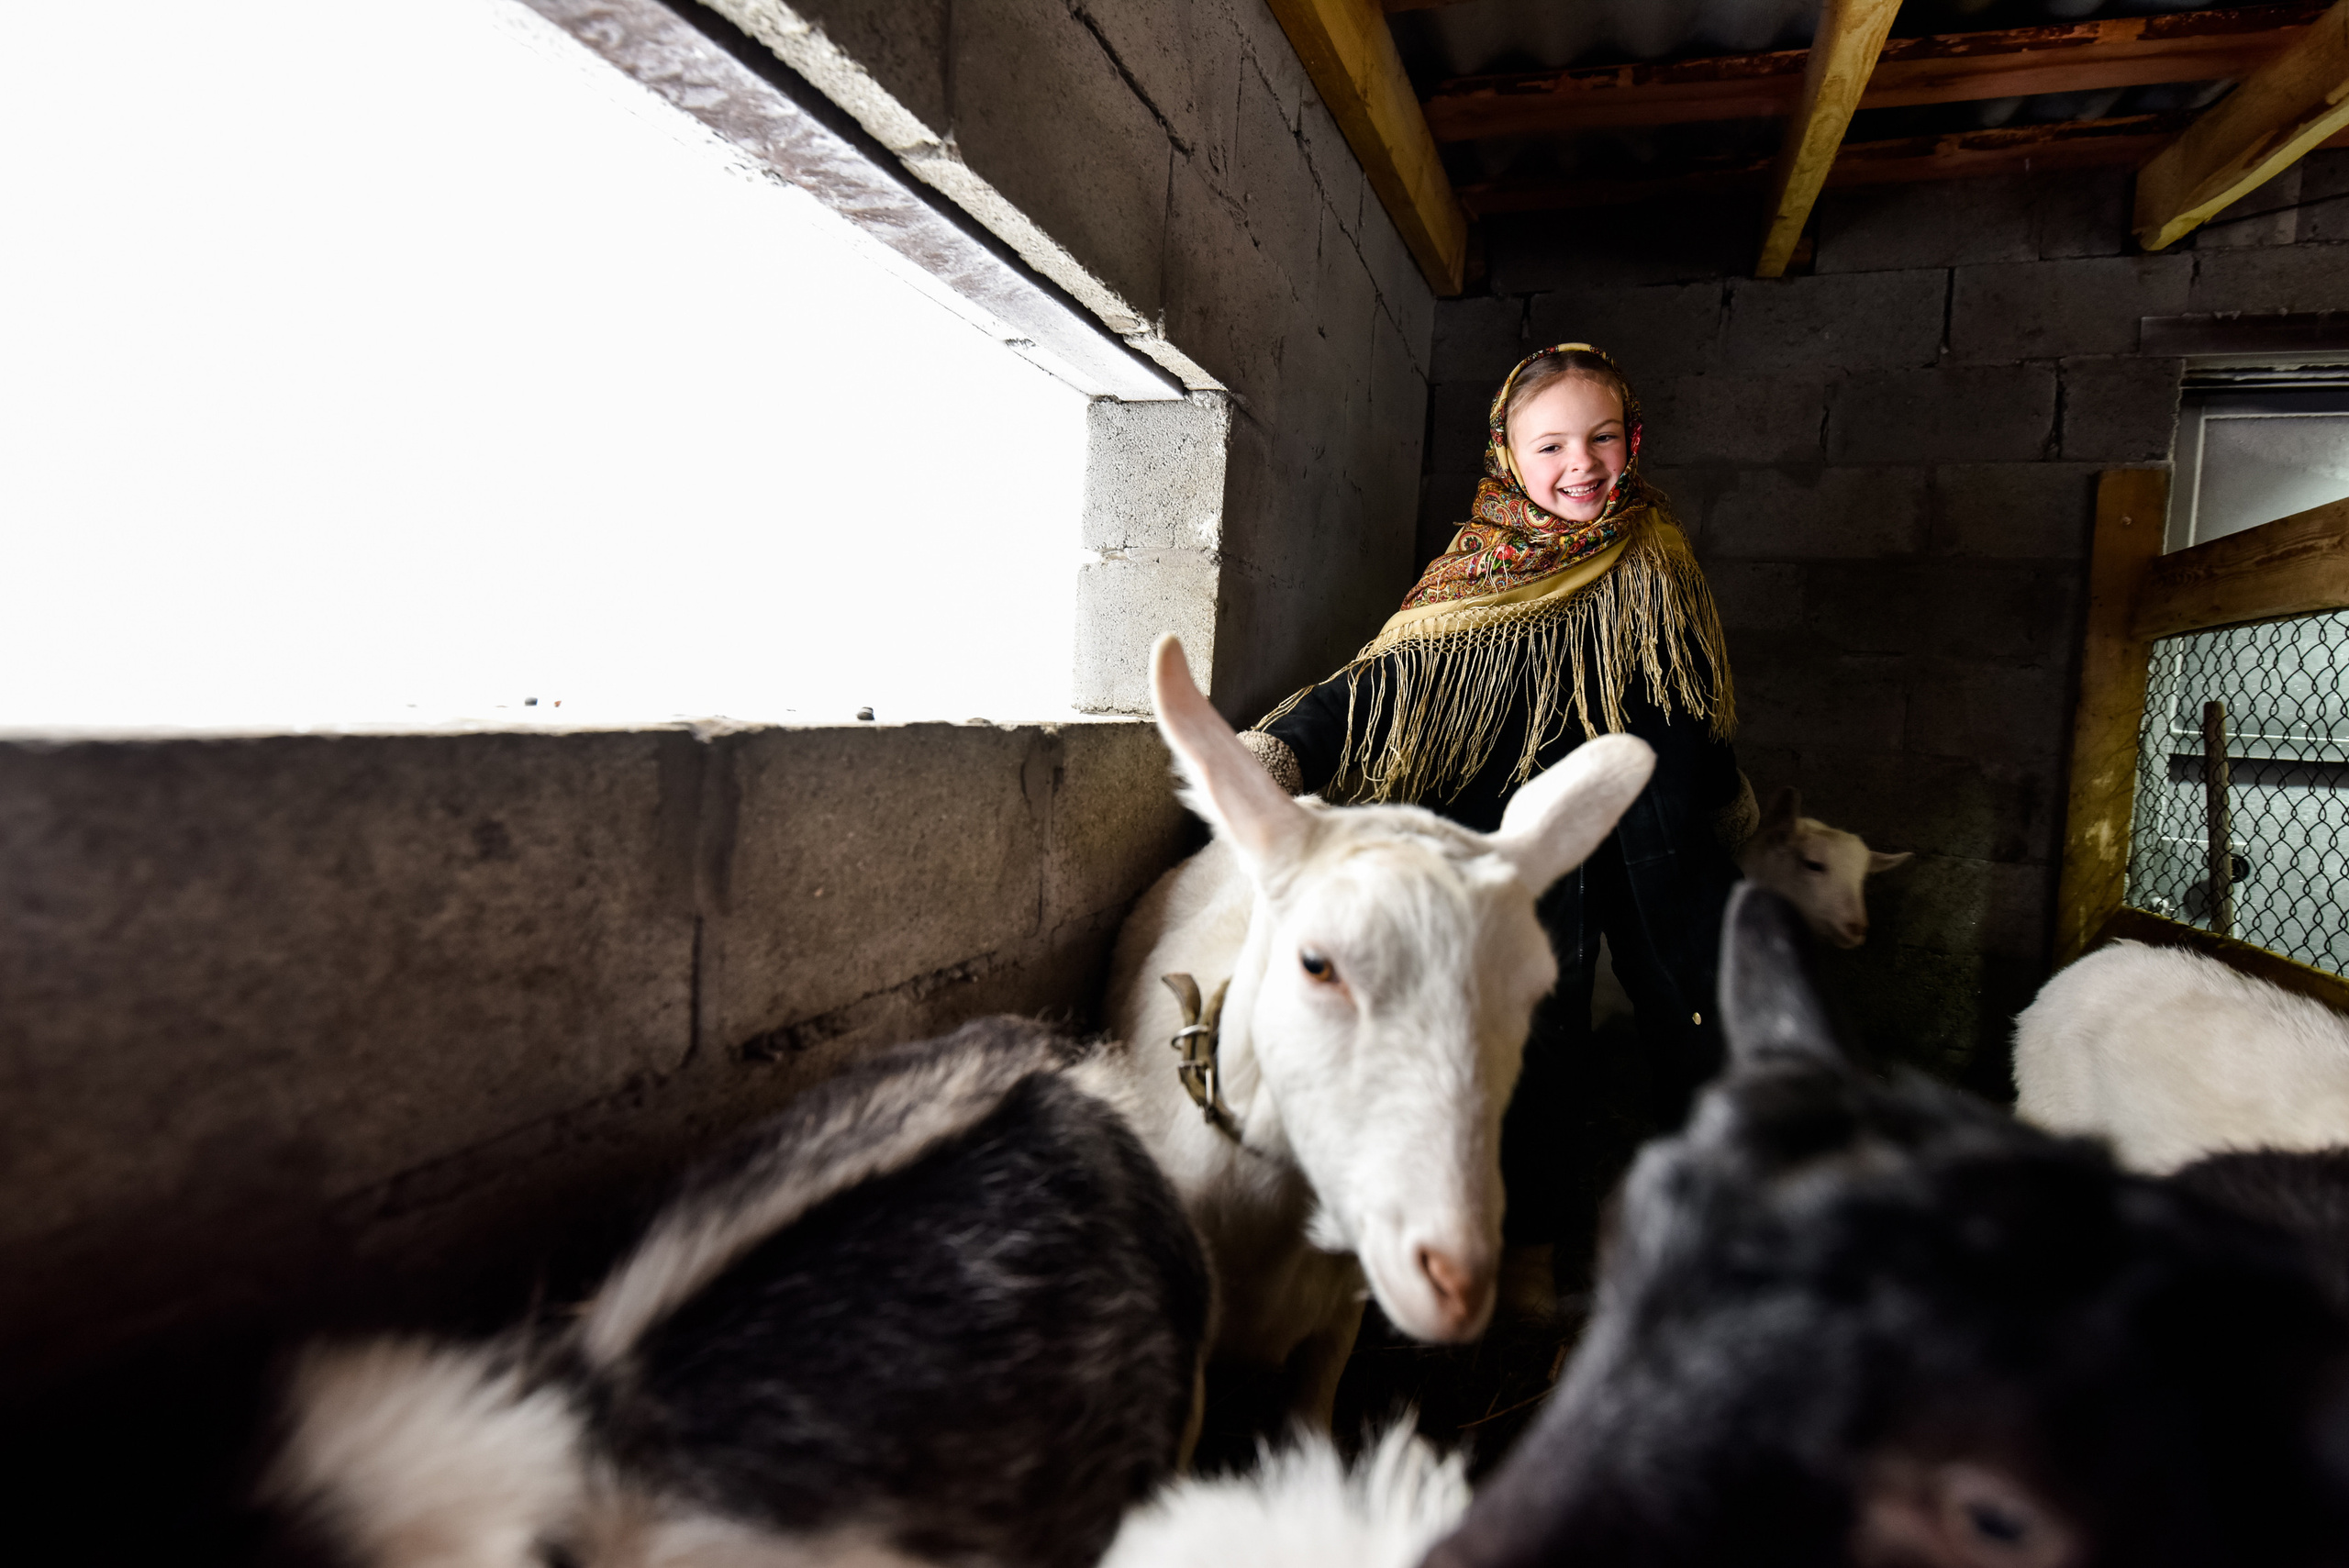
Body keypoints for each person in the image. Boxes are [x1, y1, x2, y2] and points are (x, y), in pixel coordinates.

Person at [1238, 343, 1749, 1293]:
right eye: (1550, 445)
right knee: (1532, 1044)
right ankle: (1520, 1275)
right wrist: (1288, 749)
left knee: (1702, 1015)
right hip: (1525, 846)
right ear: (1509, 457)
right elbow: (1380, 683)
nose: (1581, 464)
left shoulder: (1659, 552)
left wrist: (1723, 795)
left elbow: (1695, 690)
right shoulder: (1475, 575)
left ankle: (1716, 1253)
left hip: (1656, 840)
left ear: (1633, 440)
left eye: (1601, 438)